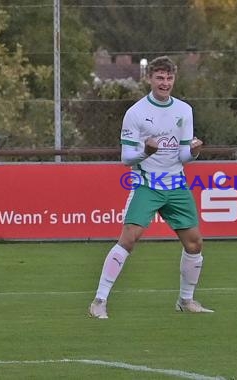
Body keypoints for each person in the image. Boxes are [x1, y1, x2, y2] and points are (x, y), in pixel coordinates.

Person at [89, 56, 213, 319]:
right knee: (129, 238)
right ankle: (99, 301)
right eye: (159, 78)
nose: (164, 83)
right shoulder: (135, 113)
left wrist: (195, 152)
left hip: (176, 184)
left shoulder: (184, 110)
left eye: (169, 78)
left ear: (174, 79)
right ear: (150, 79)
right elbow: (126, 159)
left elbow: (183, 157)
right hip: (147, 183)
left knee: (195, 244)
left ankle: (185, 300)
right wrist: (145, 151)